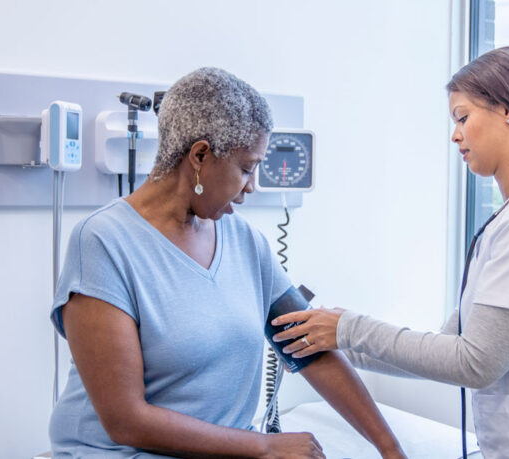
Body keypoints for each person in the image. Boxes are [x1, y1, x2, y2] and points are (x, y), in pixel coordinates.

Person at [271, 47, 509, 458]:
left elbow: (476, 364)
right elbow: (447, 349)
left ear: (508, 110)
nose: (455, 135)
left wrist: (347, 328)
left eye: (463, 117)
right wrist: (334, 340)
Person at [49, 67, 405, 458]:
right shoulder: (102, 242)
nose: (252, 186)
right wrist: (265, 447)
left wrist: (390, 450)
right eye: (247, 168)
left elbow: (310, 350)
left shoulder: (245, 242)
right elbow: (125, 420)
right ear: (200, 155)